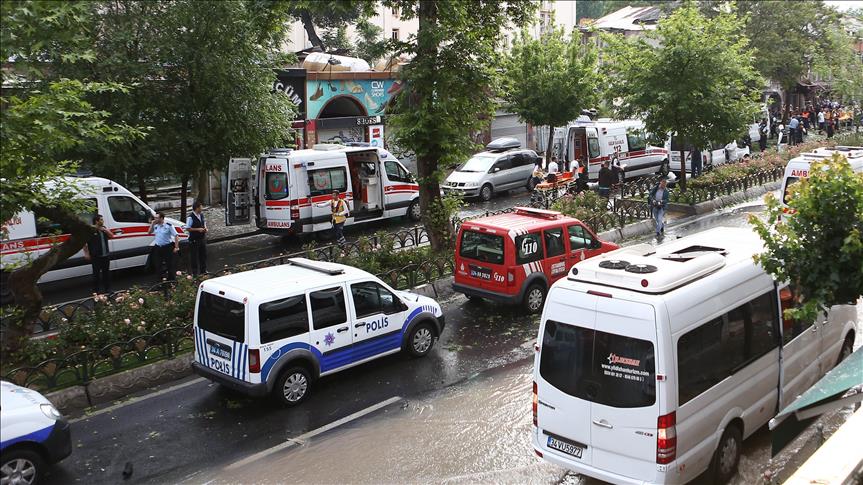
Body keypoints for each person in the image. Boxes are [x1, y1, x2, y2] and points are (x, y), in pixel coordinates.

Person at [82, 214, 113, 294]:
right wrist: (87, 253)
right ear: (97, 221)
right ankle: (96, 290)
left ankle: (107, 289)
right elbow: (84, 243)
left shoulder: (104, 229)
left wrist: (105, 230)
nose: (103, 221)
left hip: (105, 255)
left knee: (106, 273)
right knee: (96, 274)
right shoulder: (91, 230)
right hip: (96, 256)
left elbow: (112, 235)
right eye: (101, 220)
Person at [148, 212, 179, 281]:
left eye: (157, 218)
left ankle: (171, 280)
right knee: (158, 265)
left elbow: (176, 236)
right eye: (155, 218)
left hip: (167, 247)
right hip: (158, 247)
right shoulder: (156, 226)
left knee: (169, 265)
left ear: (161, 218)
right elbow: (149, 232)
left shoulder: (168, 226)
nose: (155, 219)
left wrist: (176, 247)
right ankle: (160, 281)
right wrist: (152, 224)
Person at [186, 201, 208, 276]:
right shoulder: (190, 217)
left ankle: (203, 271)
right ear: (197, 208)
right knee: (194, 257)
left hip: (202, 238)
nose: (202, 208)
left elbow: (203, 222)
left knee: (203, 255)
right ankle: (195, 273)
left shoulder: (201, 215)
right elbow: (188, 228)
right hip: (194, 240)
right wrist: (198, 229)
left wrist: (205, 228)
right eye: (201, 207)